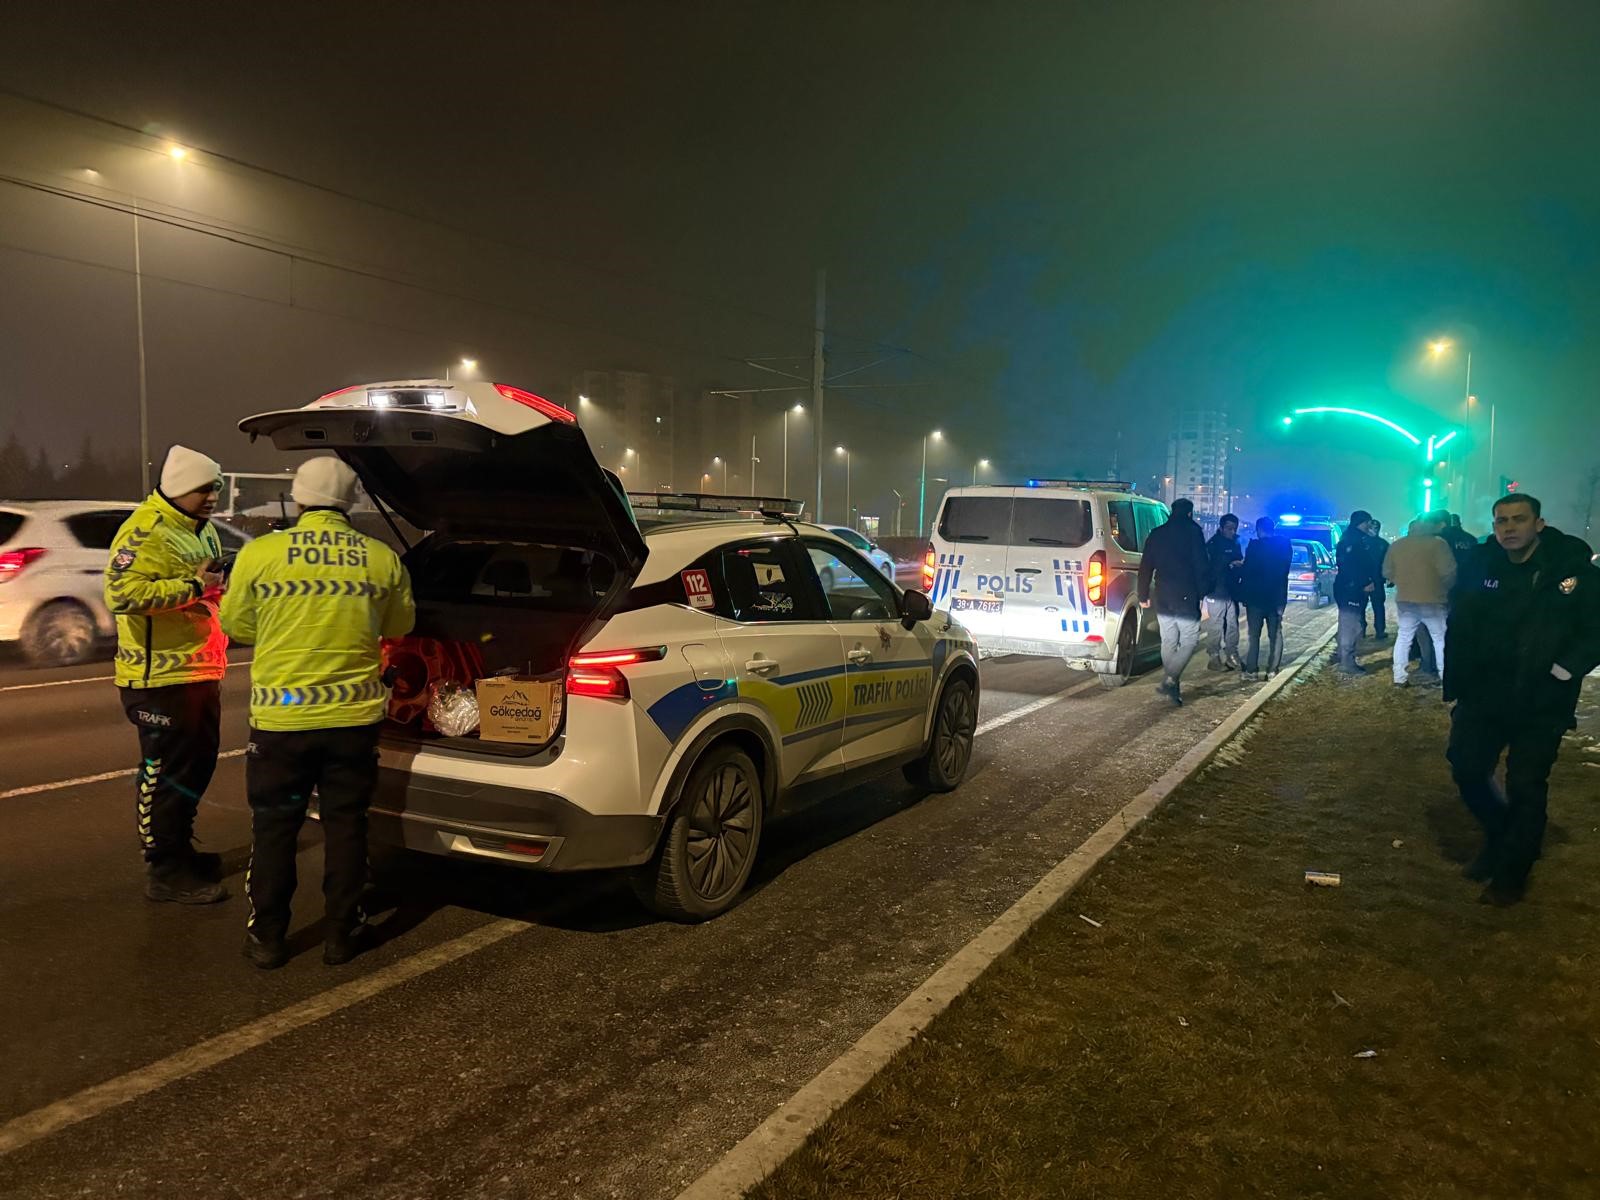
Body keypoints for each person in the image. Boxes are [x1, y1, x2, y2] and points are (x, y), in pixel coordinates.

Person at [221, 458, 416, 968]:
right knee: (347, 825)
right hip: (352, 721)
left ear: (299, 497)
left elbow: (238, 626)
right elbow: (400, 623)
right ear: (349, 502)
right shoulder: (381, 558)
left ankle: (267, 938)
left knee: (275, 829)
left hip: (281, 723)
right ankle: (341, 934)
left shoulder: (261, 554)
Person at [1444, 493, 1600, 905]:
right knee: (1466, 767)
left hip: (1541, 699)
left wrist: (1565, 669)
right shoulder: (1482, 565)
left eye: (1518, 520)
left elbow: (1595, 628)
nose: (1509, 528)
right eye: (1501, 521)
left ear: (1538, 524)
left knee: (1526, 784)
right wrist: (1459, 678)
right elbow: (1461, 619)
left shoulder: (1569, 569)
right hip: (1485, 695)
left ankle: (1513, 871)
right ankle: (1500, 836)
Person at [105, 445, 231, 905]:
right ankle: (164, 868)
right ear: (179, 487)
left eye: (216, 486)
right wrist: (197, 586)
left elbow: (212, 585)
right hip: (157, 679)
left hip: (199, 669)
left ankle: (180, 848)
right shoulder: (145, 531)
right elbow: (122, 593)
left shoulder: (203, 530)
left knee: (197, 765)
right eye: (204, 488)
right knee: (166, 773)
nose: (213, 496)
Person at [1137, 497, 1210, 706]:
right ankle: (1171, 679)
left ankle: (1173, 687)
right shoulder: (1193, 532)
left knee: (1168, 640)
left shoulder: (1157, 533)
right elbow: (1201, 565)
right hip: (1186, 594)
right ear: (1190, 513)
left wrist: (1143, 595)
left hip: (1162, 595)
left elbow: (1145, 566)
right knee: (1189, 639)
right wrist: (1203, 592)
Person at [1383, 514, 1456, 687]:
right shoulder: (1438, 544)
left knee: (1404, 637)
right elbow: (1449, 572)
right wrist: (1445, 589)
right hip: (1433, 599)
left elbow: (1386, 572)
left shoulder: (1397, 545)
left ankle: (1399, 677)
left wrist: (1401, 580)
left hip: (1405, 599)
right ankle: (1444, 676)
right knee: (1440, 639)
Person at [1236, 516, 1292, 681]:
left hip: (1255, 599)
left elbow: (1248, 573)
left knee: (1254, 636)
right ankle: (1272, 670)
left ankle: (1251, 671)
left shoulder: (1254, 547)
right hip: (1276, 598)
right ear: (1272, 529)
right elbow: (1284, 571)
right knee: (1275, 635)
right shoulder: (1284, 546)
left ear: (1259, 530)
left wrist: (1240, 567)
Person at [1333, 510, 1383, 673]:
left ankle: (1345, 658)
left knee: (1351, 624)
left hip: (1349, 588)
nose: (1370, 524)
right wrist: (1364, 583)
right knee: (1352, 626)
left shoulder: (1354, 538)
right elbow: (1351, 566)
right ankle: (1347, 663)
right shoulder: (1353, 540)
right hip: (1351, 589)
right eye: (1368, 522)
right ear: (1362, 522)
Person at [1203, 514, 1245, 670]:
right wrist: (1229, 565)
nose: (1232, 531)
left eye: (1234, 528)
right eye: (1229, 528)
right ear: (1221, 528)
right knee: (1216, 624)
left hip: (1231, 589)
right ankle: (1214, 657)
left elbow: (1239, 559)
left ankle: (1231, 654)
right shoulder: (1213, 545)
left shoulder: (1235, 543)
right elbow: (1209, 568)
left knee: (1233, 625)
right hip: (1216, 591)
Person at [1363, 518, 1390, 639]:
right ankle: (1364, 630)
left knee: (1377, 606)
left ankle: (1379, 630)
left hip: (1375, 580)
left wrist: (1389, 577)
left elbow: (1389, 562)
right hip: (1365, 580)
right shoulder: (1381, 544)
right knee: (1363, 606)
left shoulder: (1382, 544)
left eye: (1376, 528)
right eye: (1372, 527)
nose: (1373, 530)